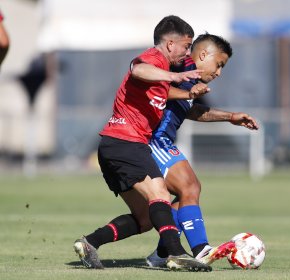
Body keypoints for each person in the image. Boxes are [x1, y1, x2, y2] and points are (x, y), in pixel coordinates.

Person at [73, 15, 212, 272]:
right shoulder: (154, 58)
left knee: (145, 218)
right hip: (126, 143)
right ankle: (176, 253)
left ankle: (90, 242)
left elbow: (167, 92)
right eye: (185, 45)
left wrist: (188, 90)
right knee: (160, 194)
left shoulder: (161, 75)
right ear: (170, 44)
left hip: (112, 147)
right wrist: (176, 77)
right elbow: (138, 69)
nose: (187, 52)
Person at [145, 33, 259, 267]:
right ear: (203, 54)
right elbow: (156, 89)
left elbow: (191, 110)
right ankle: (201, 249)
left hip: (162, 142)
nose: (218, 73)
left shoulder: (190, 81)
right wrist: (187, 91)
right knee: (190, 186)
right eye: (219, 65)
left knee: (182, 198)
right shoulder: (179, 66)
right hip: (151, 140)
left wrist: (230, 117)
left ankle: (162, 253)